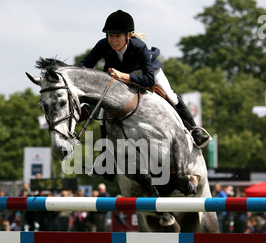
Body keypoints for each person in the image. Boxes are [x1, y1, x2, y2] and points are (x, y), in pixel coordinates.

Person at [79, 9, 211, 149]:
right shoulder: (103, 45)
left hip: (148, 73)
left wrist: (122, 75)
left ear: (128, 36)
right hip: (121, 75)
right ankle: (106, 153)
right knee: (102, 112)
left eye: (117, 36)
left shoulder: (139, 47)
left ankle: (196, 133)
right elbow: (85, 65)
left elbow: (148, 81)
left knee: (171, 96)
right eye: (110, 35)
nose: (113, 40)